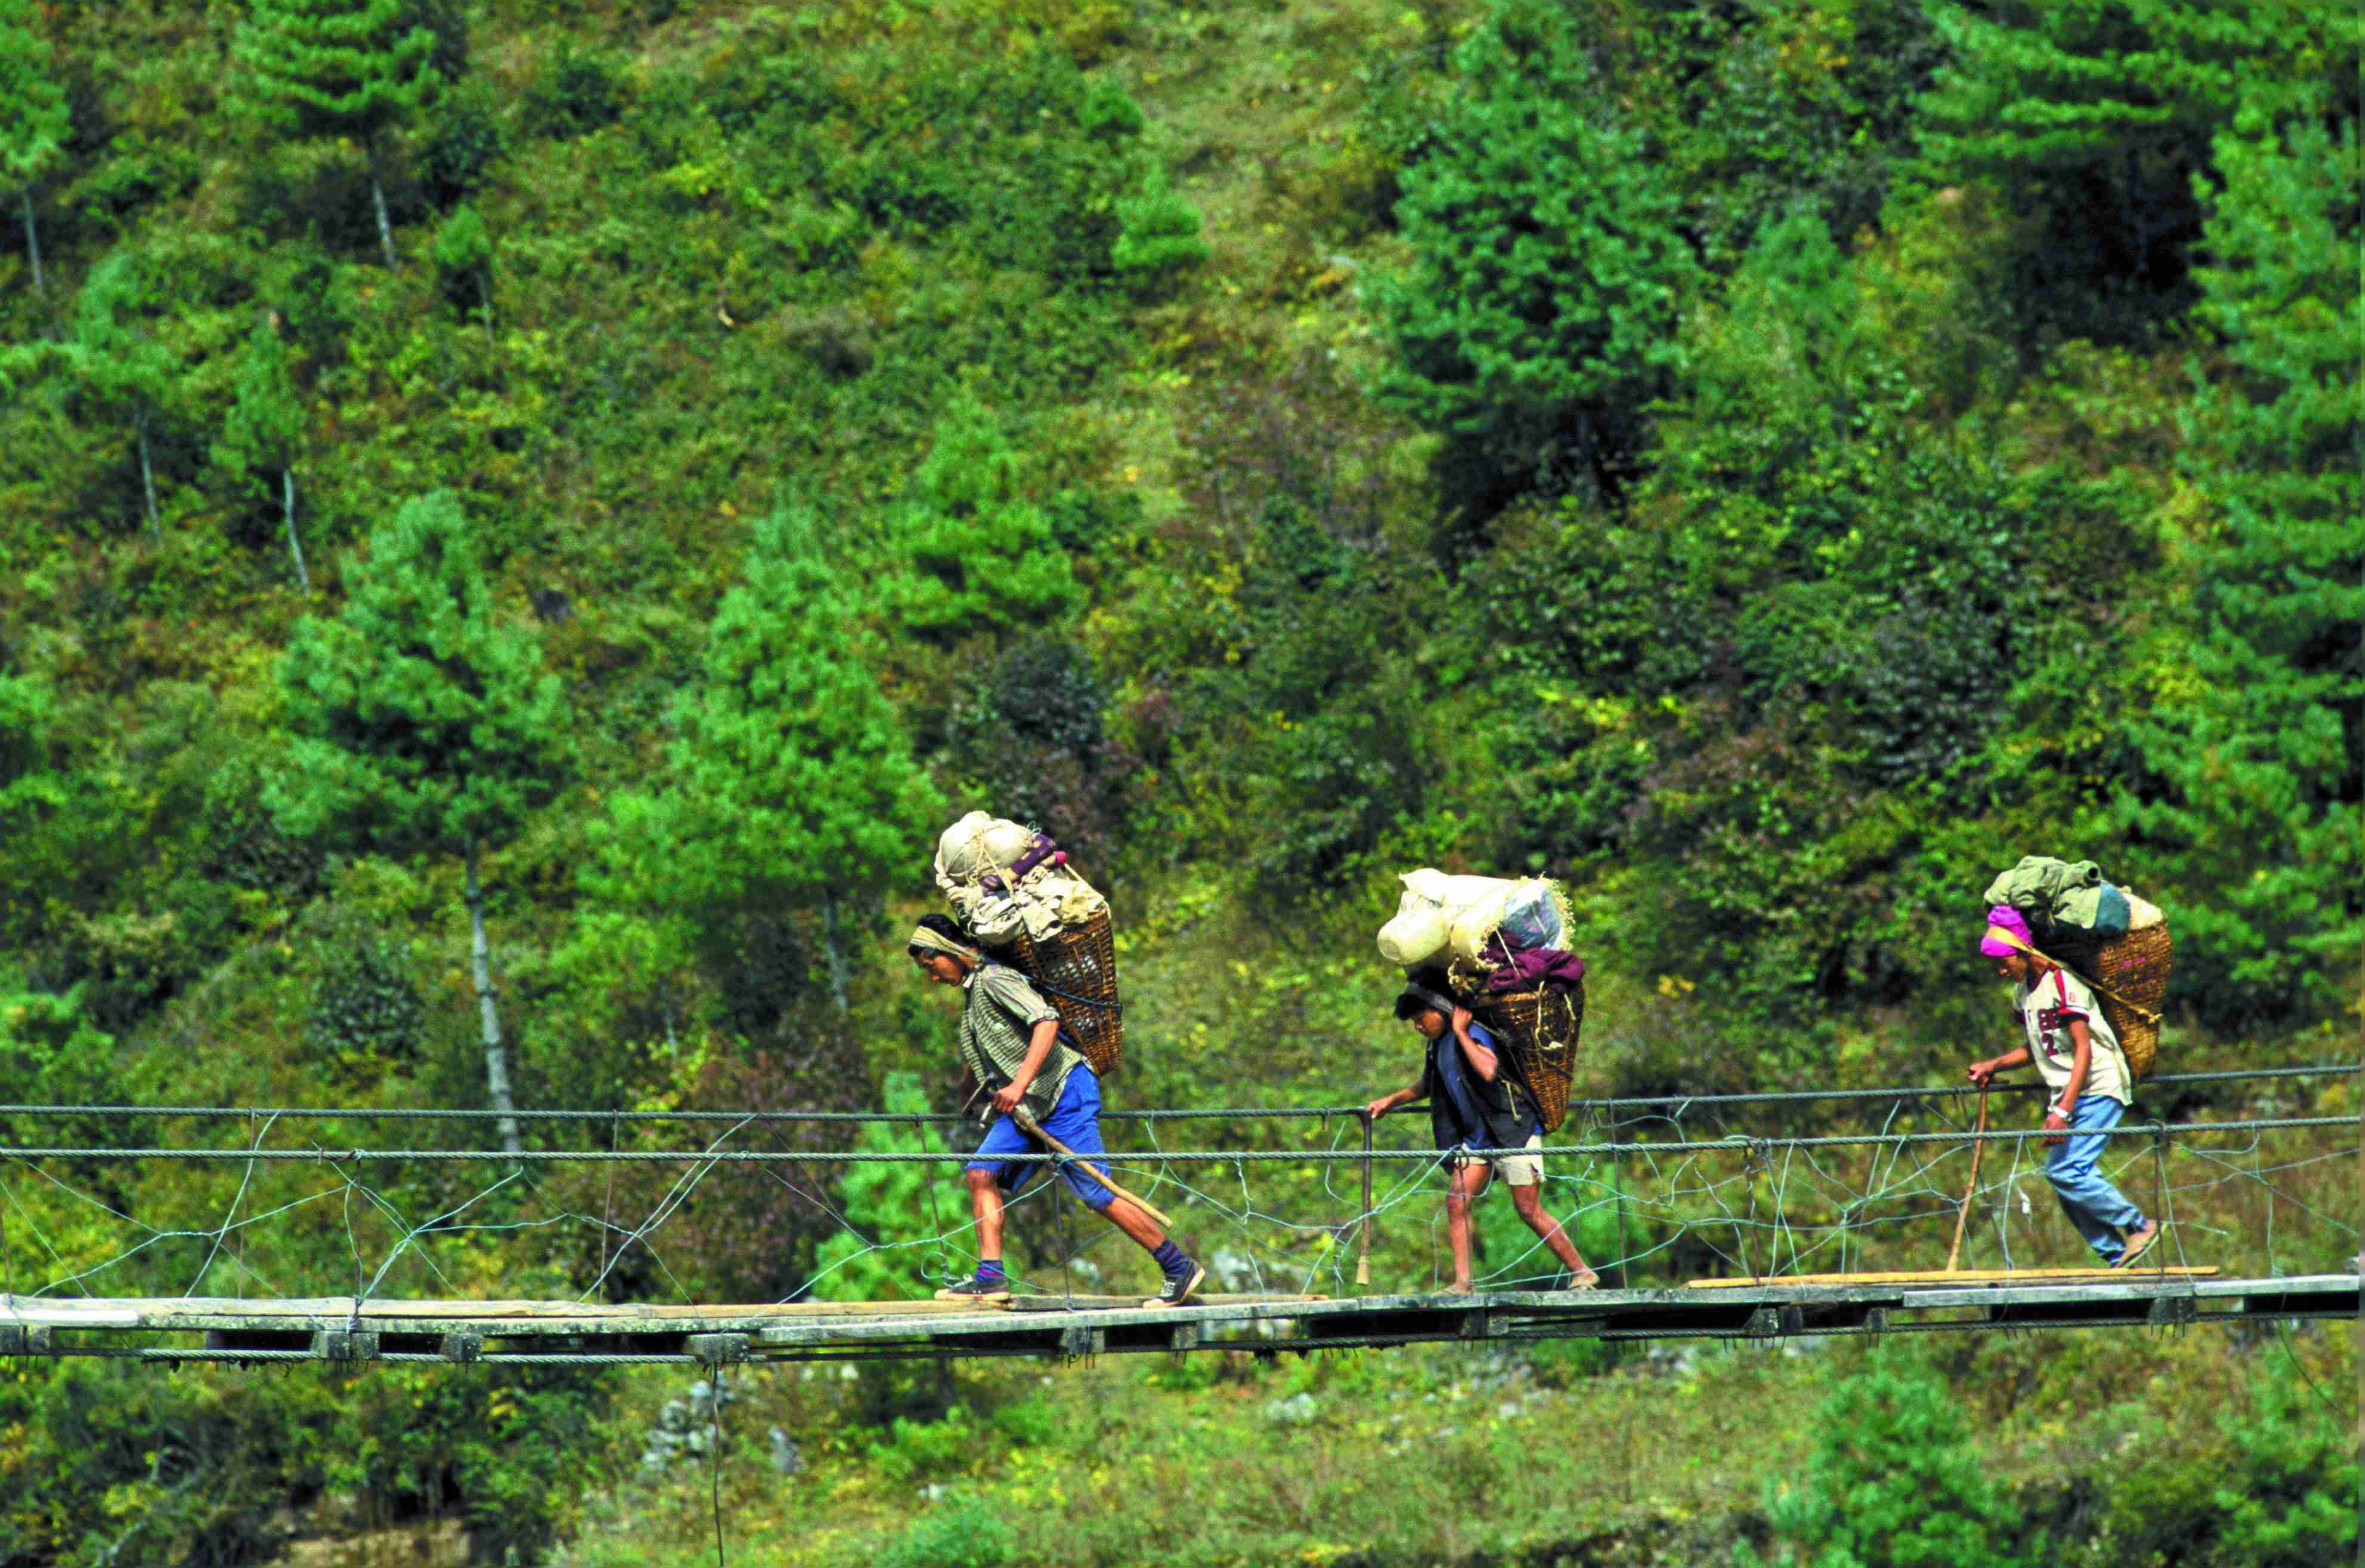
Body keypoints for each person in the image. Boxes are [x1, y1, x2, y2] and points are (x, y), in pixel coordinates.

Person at [906, 915, 1204, 1305]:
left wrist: (1018, 1083)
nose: (932, 976)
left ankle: (1177, 1266)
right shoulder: (974, 994)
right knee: (981, 1173)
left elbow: (1046, 1021)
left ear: (949, 951)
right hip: (1028, 1107)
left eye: (932, 965)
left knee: (1097, 1193)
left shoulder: (996, 979)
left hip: (1063, 1093)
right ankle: (991, 1278)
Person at [1362, 974, 1599, 1293]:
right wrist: (1390, 1101)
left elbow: (1487, 1070)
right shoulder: (1437, 1047)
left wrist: (1460, 1031)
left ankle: (1582, 1271)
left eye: (1421, 1018)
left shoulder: (1473, 1033)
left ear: (1442, 1011)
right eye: (1414, 1022)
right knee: (1457, 1202)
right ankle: (1464, 1283)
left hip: (1511, 1131)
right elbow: (1427, 1085)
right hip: (1478, 1139)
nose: (1418, 1026)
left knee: (1529, 1210)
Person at [1964, 906, 2162, 1269]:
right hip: (2070, 1094)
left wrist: (2062, 1111)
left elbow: (2083, 1050)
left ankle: (2139, 1225)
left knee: (2066, 1172)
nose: (2001, 970)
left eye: (2004, 961)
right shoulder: (2024, 993)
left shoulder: (2062, 984)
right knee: (2062, 1178)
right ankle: (2117, 1254)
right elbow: (2037, 1047)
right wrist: (1994, 1065)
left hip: (2098, 1085)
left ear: (2023, 953)